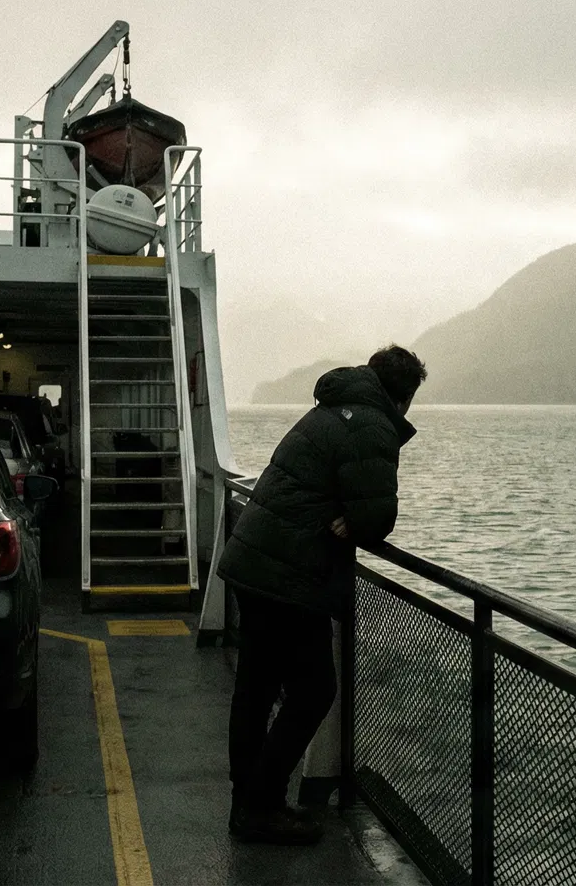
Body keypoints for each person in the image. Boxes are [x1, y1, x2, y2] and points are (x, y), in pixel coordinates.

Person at [218, 344, 426, 845]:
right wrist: (356, 522)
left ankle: (245, 800)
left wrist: (349, 518)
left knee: (257, 686)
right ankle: (262, 806)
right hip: (289, 572)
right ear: (405, 395)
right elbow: (375, 518)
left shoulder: (330, 409)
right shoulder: (373, 425)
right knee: (314, 690)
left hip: (253, 558)